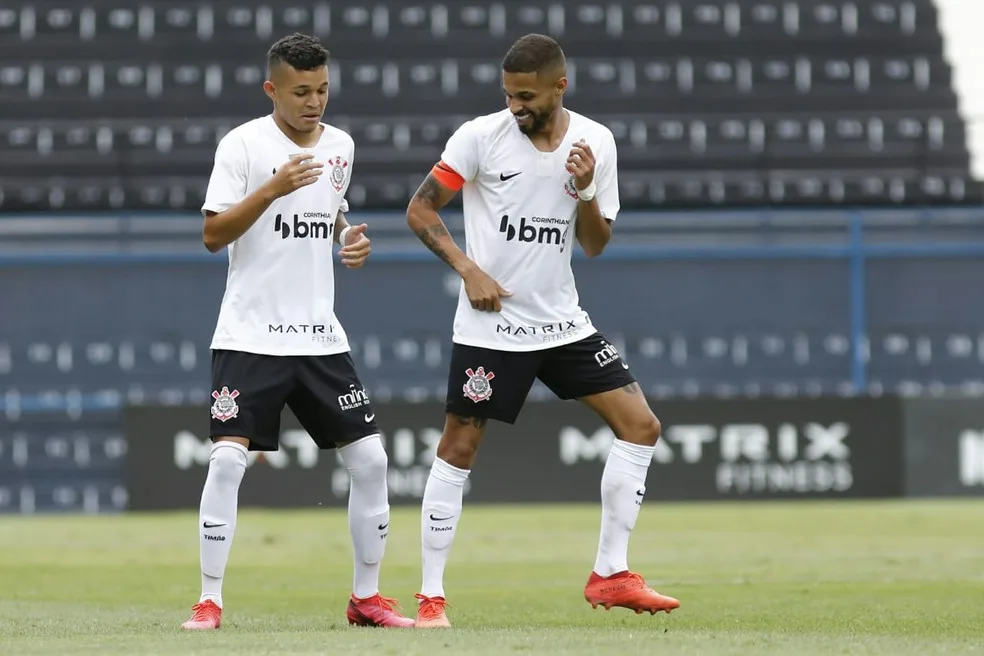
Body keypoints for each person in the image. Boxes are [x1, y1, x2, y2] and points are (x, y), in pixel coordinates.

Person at [404, 33, 681, 628]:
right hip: (491, 327)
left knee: (642, 426)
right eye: (509, 95)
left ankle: (611, 574)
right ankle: (430, 599)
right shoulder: (480, 137)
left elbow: (596, 244)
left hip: (562, 323)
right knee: (458, 448)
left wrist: (583, 190)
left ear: (561, 86)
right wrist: (468, 269)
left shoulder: (595, 143)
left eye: (527, 96)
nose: (516, 106)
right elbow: (421, 210)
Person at [180, 33, 414, 631]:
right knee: (228, 462)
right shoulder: (243, 146)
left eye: (323, 89)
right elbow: (212, 236)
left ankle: (367, 598)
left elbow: (330, 209)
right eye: (301, 91)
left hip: (319, 338)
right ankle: (209, 600)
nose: (315, 102)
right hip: (250, 334)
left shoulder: (341, 146)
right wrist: (271, 189)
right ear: (272, 90)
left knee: (372, 460)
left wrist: (347, 240)